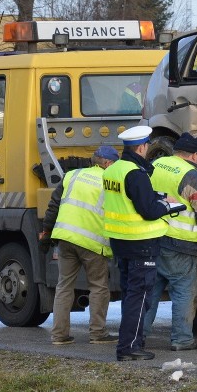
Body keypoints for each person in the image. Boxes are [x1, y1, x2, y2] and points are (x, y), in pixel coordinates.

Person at [144, 132, 197, 351]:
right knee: (184, 292)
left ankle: (137, 336)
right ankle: (182, 339)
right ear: (194, 156)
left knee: (150, 291)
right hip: (181, 244)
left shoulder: (157, 164)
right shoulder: (192, 176)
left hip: (154, 237)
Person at [103, 125, 177, 361]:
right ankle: (130, 347)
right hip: (140, 243)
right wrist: (167, 205)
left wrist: (159, 197)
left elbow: (130, 198)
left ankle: (129, 344)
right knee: (139, 297)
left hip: (121, 241)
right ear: (142, 147)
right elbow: (147, 209)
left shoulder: (114, 170)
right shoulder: (136, 173)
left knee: (130, 295)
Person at [40, 145, 120, 345]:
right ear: (108, 163)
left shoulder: (72, 175)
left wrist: (46, 232)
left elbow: (54, 205)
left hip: (65, 239)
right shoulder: (109, 182)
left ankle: (59, 335)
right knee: (99, 287)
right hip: (92, 242)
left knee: (64, 286)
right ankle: (97, 333)